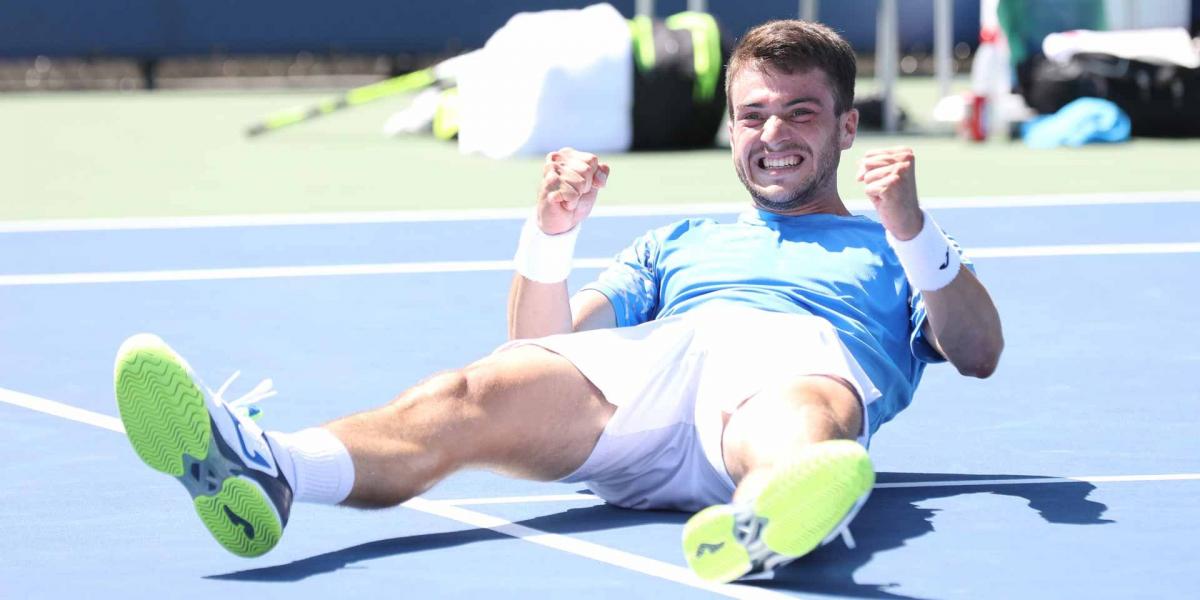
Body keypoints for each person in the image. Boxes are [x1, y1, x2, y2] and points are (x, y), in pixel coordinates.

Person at [113, 19, 1003, 583]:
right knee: (471, 393)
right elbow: (545, 348)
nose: (772, 134)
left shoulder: (898, 243)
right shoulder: (676, 245)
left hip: (788, 370)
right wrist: (550, 234)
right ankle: (272, 471)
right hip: (659, 378)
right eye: (753, 115)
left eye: (800, 114)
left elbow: (978, 349)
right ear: (732, 126)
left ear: (847, 127)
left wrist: (914, 230)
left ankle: (769, 513)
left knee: (800, 402)